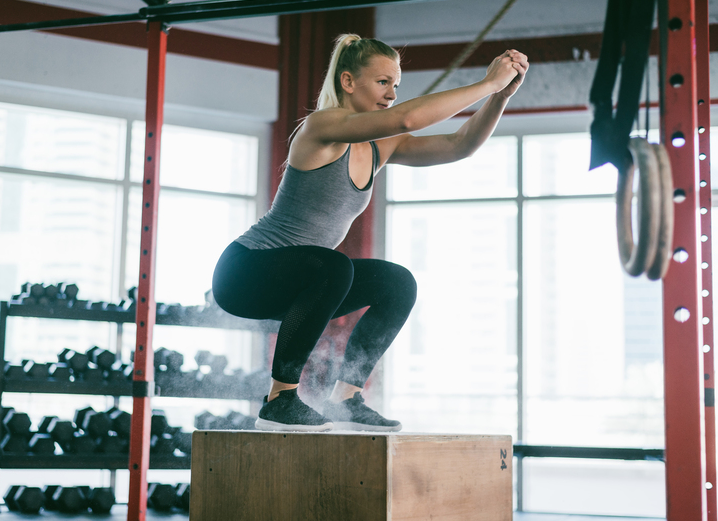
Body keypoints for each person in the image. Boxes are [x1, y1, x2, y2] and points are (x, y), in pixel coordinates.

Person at [212, 34, 528, 432]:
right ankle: (280, 400)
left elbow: (459, 144)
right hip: (245, 273)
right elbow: (407, 119)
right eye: (383, 82)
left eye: (396, 85)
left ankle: (345, 399)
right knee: (334, 266)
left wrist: (499, 97)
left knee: (395, 283)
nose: (392, 94)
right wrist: (486, 83)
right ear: (348, 82)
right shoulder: (321, 126)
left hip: (301, 283)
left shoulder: (380, 147)